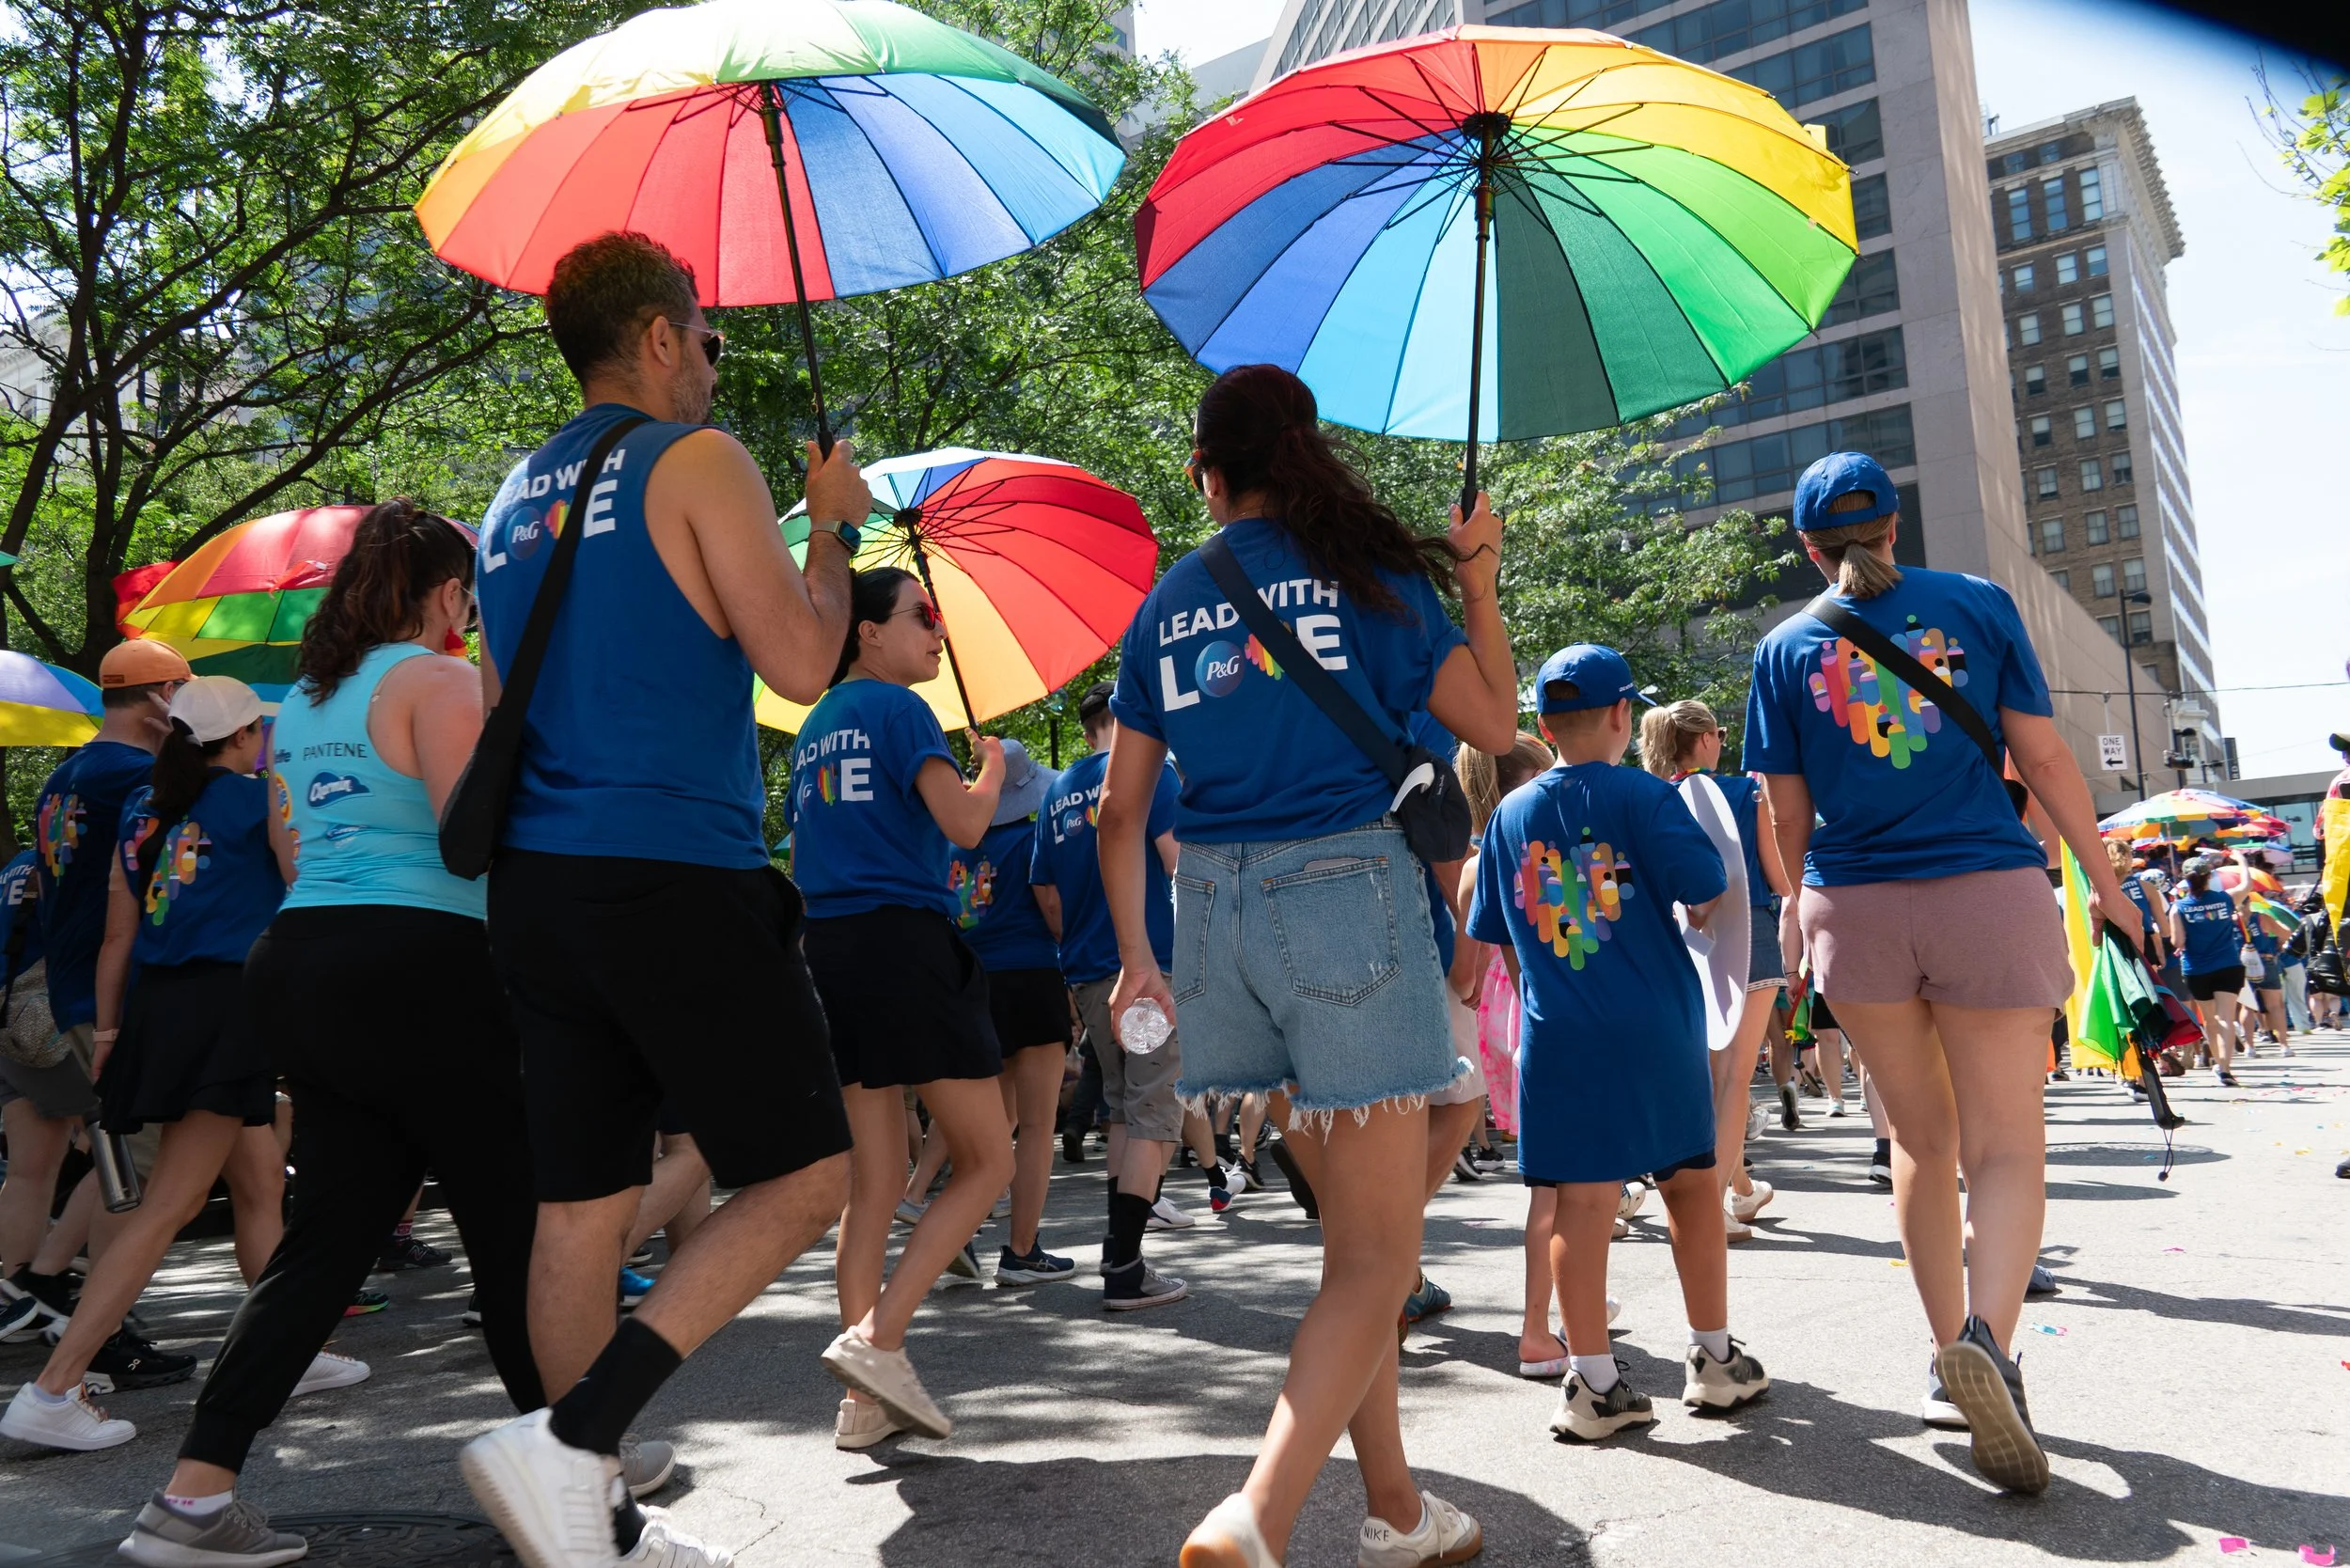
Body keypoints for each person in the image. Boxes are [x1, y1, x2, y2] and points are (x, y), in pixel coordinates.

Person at [461, 230, 865, 1568]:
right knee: (810, 1172)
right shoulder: (698, 461)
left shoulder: (510, 501)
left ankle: (601, 1522)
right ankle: (576, 1443)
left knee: (579, 1205)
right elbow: (803, 666)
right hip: (671, 872)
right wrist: (835, 529)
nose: (712, 361)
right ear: (654, 334)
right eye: (708, 337)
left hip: (536, 887)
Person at [94, 503, 596, 1561]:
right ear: (449, 591)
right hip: (422, 965)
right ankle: (576, 1490)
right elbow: (473, 842)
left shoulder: (309, 699)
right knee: (510, 1235)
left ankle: (189, 1500)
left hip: (307, 965)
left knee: (322, 1246)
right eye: (468, 591)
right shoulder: (441, 681)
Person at [1100, 364, 1518, 1568]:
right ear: (1308, 454)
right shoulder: (1373, 580)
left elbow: (1121, 813)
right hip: (1346, 902)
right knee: (1381, 1258)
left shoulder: (1166, 602)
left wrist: (1137, 960)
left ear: (1206, 475)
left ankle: (1393, 1511)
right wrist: (1477, 580)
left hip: (1213, 918)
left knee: (1352, 1245)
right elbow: (1493, 724)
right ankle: (1256, 1517)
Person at [1744, 450, 2134, 1496]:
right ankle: (1988, 1347)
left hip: (1853, 910)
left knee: (1919, 1138)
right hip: (1984, 893)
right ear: (1894, 527)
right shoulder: (1976, 604)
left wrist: (1789, 913)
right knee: (2006, 1144)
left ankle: (1938, 1364)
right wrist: (2103, 883)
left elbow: (1783, 814)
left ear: (1808, 545)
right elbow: (2044, 761)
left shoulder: (1781, 649)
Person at [1470, 646, 1767, 1441]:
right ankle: (1712, 1362)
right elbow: (1709, 888)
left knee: (1581, 1204)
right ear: (1620, 716)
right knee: (1690, 1187)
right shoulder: (1645, 794)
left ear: (1542, 725)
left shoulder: (1508, 815)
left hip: (1555, 1033)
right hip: (1653, 1026)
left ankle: (1592, 1382)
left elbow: (1500, 939)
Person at [1, 677, 296, 1452]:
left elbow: (116, 937)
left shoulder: (143, 808)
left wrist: (106, 1036)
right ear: (242, 738)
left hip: (156, 1008)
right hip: (228, 1007)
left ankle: (290, 1350)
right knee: (165, 1204)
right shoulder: (258, 797)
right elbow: (304, 892)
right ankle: (55, 1386)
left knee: (259, 1178)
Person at [790, 566, 1012, 1450]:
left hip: (831, 948)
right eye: (923, 616)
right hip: (903, 943)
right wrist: (990, 770)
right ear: (868, 631)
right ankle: (877, 1343)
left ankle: (862, 1402)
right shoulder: (899, 709)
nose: (938, 632)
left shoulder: (816, 727)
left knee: (874, 1180)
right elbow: (962, 825)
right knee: (989, 1157)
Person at [1, 641, 194, 1367]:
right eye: (181, 691)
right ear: (156, 700)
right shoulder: (137, 776)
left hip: (76, 986)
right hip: (125, 992)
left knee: (151, 1158)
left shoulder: (66, 776)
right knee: (135, 1175)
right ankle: (99, 1334)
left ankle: (60, 1290)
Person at [1029, 679, 1193, 1309]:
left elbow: (1046, 895)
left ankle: (1118, 1251)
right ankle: (1124, 1267)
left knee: (1125, 1109)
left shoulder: (1056, 793)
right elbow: (1179, 863)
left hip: (1090, 971)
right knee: (1154, 1113)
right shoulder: (1153, 774)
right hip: (1151, 965)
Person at [1637, 699, 1795, 1242]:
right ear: (1703, 739)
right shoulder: (1746, 792)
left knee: (1707, 1075)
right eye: (1719, 732)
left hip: (1675, 939)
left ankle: (1742, 1188)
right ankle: (1713, 1206)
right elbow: (1777, 877)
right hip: (1744, 933)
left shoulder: (1652, 797)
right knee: (1733, 1077)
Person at [944, 737, 1076, 1287]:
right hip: (1034, 976)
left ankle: (957, 1238)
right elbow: (1053, 910)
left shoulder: (956, 847)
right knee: (1039, 1125)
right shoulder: (1035, 837)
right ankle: (1022, 1251)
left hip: (974, 983)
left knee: (988, 1130)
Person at [2170, 857, 2246, 1085]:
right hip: (2229, 965)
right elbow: (2247, 886)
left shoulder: (2178, 907)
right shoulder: (2226, 898)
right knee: (2226, 1018)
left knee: (2210, 1021)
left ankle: (2219, 1063)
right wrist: (2241, 861)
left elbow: (2177, 941)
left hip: (2197, 969)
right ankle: (2224, 1067)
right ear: (2209, 877)